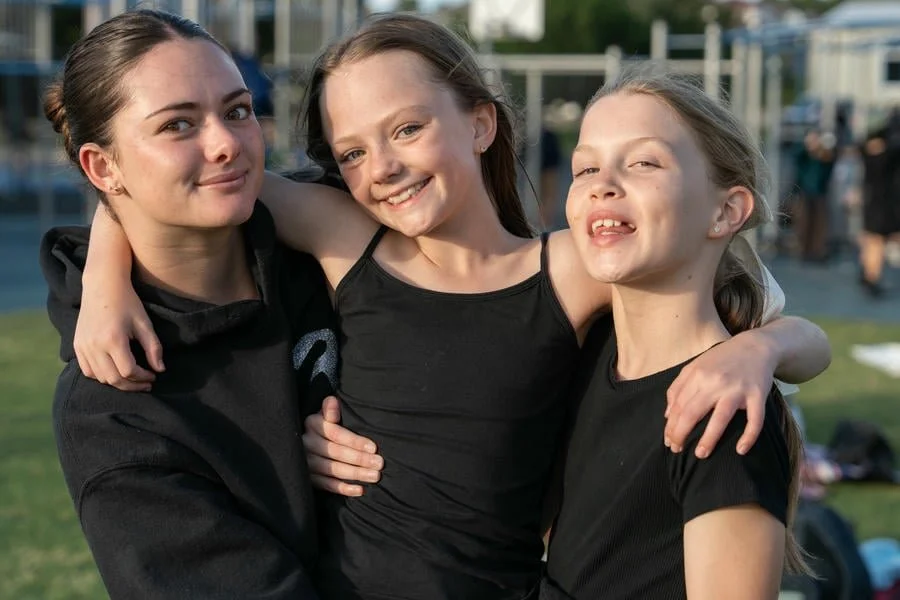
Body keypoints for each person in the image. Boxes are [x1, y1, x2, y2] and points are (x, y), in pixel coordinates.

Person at [70, 13, 831, 600]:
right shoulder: (351, 245)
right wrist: (104, 275)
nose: (384, 166)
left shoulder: (566, 268)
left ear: (479, 121)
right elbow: (179, 184)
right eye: (354, 153)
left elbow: (759, 297)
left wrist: (760, 349)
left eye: (407, 128)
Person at [39, 10, 335, 598]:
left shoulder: (327, 233)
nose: (227, 143)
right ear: (102, 166)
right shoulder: (113, 412)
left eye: (238, 111)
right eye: (177, 125)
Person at [539, 69, 808, 599]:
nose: (602, 182)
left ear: (725, 210)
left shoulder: (725, 416)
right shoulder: (581, 355)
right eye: (586, 166)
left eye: (643, 162)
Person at [858, 126, 900, 297]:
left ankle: (869, 276)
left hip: (875, 206)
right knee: (875, 243)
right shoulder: (885, 157)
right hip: (882, 207)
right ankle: (871, 277)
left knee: (872, 242)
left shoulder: (868, 155)